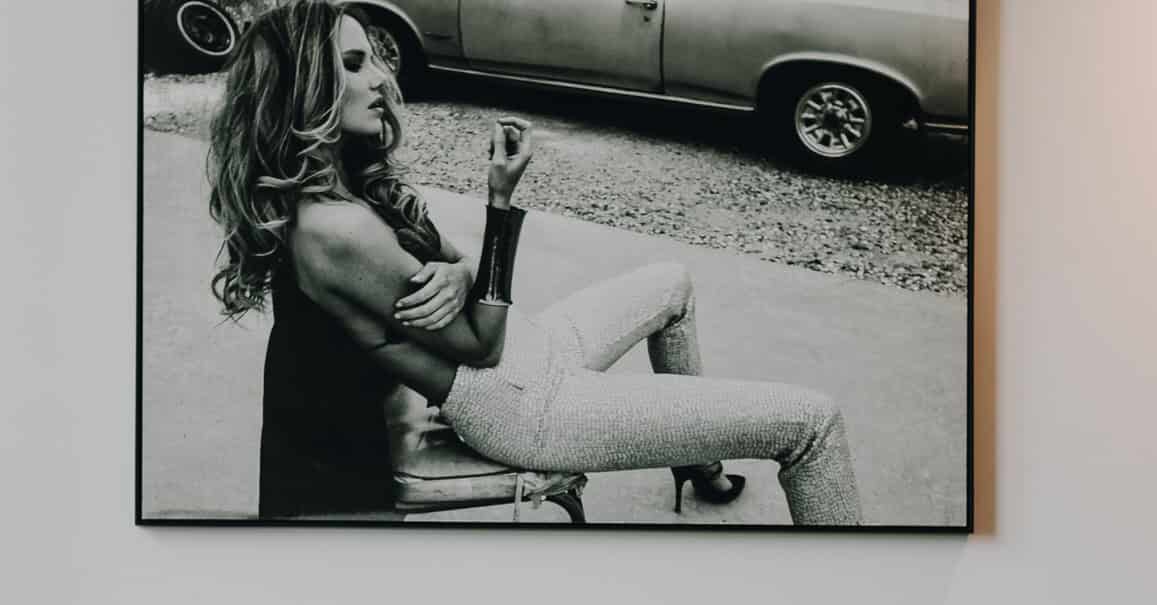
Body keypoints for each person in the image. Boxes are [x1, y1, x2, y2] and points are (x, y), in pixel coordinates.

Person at [209, 0, 863, 526]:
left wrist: (460, 273)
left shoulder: (349, 187)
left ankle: (699, 465)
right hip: (522, 406)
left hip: (535, 348)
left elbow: (461, 267)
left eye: (375, 57)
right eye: (354, 65)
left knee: (673, 283)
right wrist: (500, 202)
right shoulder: (335, 228)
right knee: (812, 422)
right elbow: (482, 344)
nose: (381, 77)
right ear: (301, 89)